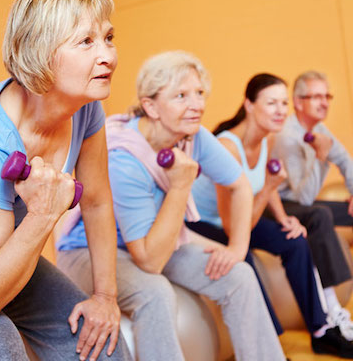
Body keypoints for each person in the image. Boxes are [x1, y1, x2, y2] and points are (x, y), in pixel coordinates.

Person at [57, 51, 287, 361]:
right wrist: (180, 185)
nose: (197, 105)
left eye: (199, 93)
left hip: (155, 240)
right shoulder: (124, 158)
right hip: (90, 251)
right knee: (155, 292)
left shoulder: (194, 136)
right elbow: (149, 261)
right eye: (181, 95)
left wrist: (237, 248)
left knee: (240, 275)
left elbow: (240, 185)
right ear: (150, 106)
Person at [0, 0, 132, 361]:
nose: (108, 56)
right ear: (39, 52)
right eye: (86, 42)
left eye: (108, 38)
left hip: (9, 245)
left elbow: (97, 201)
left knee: (103, 346)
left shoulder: (85, 106)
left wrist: (105, 297)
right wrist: (44, 214)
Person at [187, 73, 353, 358]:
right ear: (249, 105)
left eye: (283, 103)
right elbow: (235, 228)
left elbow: (264, 181)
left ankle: (321, 331)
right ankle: (269, 346)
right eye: (271, 103)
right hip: (203, 223)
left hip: (238, 216)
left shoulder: (266, 138)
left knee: (296, 240)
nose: (280, 110)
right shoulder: (228, 148)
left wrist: (282, 216)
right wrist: (269, 189)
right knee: (245, 258)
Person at [272, 70, 353, 339]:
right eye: (316, 96)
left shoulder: (318, 129)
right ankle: (332, 310)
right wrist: (320, 156)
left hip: (300, 202)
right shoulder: (287, 136)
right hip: (280, 204)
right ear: (297, 102)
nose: (324, 102)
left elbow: (345, 161)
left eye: (326, 96)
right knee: (319, 214)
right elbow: (302, 197)